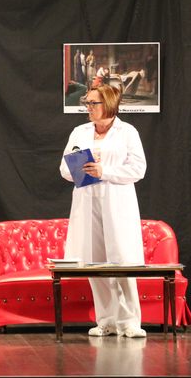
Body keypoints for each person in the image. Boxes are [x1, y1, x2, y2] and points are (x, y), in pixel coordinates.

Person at [59, 84, 147, 338]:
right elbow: (64, 168)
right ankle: (106, 321)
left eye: (92, 103)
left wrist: (104, 172)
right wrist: (79, 169)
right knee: (95, 263)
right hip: (87, 202)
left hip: (116, 203)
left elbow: (138, 169)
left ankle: (130, 322)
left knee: (122, 261)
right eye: (86, 103)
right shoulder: (79, 132)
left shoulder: (127, 132)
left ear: (107, 104)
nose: (88, 107)